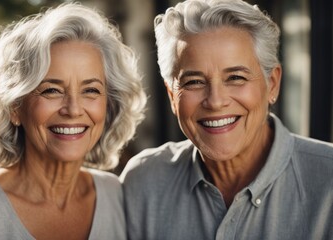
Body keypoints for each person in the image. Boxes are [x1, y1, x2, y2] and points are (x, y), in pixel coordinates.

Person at [0, 2, 146, 240]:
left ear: (109, 103)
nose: (73, 109)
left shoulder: (118, 197)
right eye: (51, 90)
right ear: (14, 106)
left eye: (91, 90)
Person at [119, 0, 333, 239]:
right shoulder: (143, 183)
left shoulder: (328, 181)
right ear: (172, 96)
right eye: (194, 82)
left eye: (236, 77)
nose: (216, 101)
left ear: (272, 84)